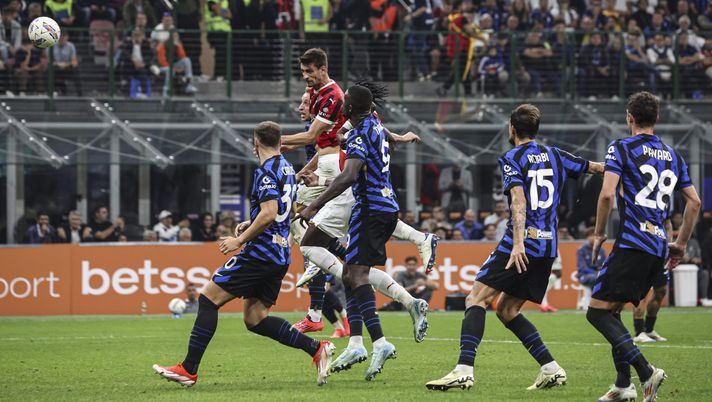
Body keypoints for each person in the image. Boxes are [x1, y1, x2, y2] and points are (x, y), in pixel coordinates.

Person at [426, 103, 603, 391]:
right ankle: (550, 367)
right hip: (547, 247)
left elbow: (518, 200)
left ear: (512, 128)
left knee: (476, 299)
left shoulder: (512, 157)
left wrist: (518, 243)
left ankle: (463, 370)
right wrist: (626, 169)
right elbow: (595, 168)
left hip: (521, 243)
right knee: (507, 309)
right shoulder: (556, 155)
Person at [152, 121, 336, 387]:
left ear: (257, 142)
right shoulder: (287, 167)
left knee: (208, 299)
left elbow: (271, 212)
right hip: (281, 253)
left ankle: (188, 369)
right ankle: (316, 349)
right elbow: (290, 210)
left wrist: (240, 239)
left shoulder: (265, 171)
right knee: (255, 319)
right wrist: (252, 223)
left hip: (260, 253)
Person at [281, 50, 434, 338]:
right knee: (351, 268)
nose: (305, 79)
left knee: (305, 223)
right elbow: (332, 140)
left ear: (323, 69)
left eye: (309, 72)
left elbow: (316, 139)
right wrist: (399, 137)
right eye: (302, 74)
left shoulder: (335, 97)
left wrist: (270, 142)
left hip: (341, 173)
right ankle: (394, 308)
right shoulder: (347, 109)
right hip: (339, 171)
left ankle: (319, 310)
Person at [587, 91, 700, 402]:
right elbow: (695, 201)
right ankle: (623, 385)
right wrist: (679, 243)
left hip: (633, 241)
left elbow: (608, 195)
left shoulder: (621, 147)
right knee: (613, 309)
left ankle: (646, 371)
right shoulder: (674, 156)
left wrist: (598, 234)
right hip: (659, 246)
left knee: (596, 314)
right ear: (658, 119)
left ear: (629, 118)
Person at [298, 85, 408, 380]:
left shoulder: (360, 133)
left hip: (370, 208)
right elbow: (386, 145)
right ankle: (357, 343)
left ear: (351, 108)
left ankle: (379, 342)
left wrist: (313, 206)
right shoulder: (375, 126)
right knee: (350, 273)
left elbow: (348, 175)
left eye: (345, 103)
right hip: (385, 204)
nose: (341, 106)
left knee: (356, 275)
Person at [576, 227, 606, 310]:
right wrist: (596, 273)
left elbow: (604, 265)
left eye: (595, 236)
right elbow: (582, 267)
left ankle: (609, 303)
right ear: (587, 237)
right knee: (596, 278)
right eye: (591, 236)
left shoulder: (602, 250)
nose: (593, 238)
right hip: (584, 275)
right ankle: (589, 302)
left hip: (598, 274)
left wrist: (600, 272)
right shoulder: (581, 250)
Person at [53, 32, 82, 96]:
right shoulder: (52, 45)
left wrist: (66, 65)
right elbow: (49, 60)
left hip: (67, 67)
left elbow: (74, 61)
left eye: (64, 36)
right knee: (49, 70)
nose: (62, 38)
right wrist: (58, 64)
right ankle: (53, 92)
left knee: (76, 70)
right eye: (61, 36)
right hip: (56, 67)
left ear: (67, 37)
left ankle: (80, 94)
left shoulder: (71, 46)